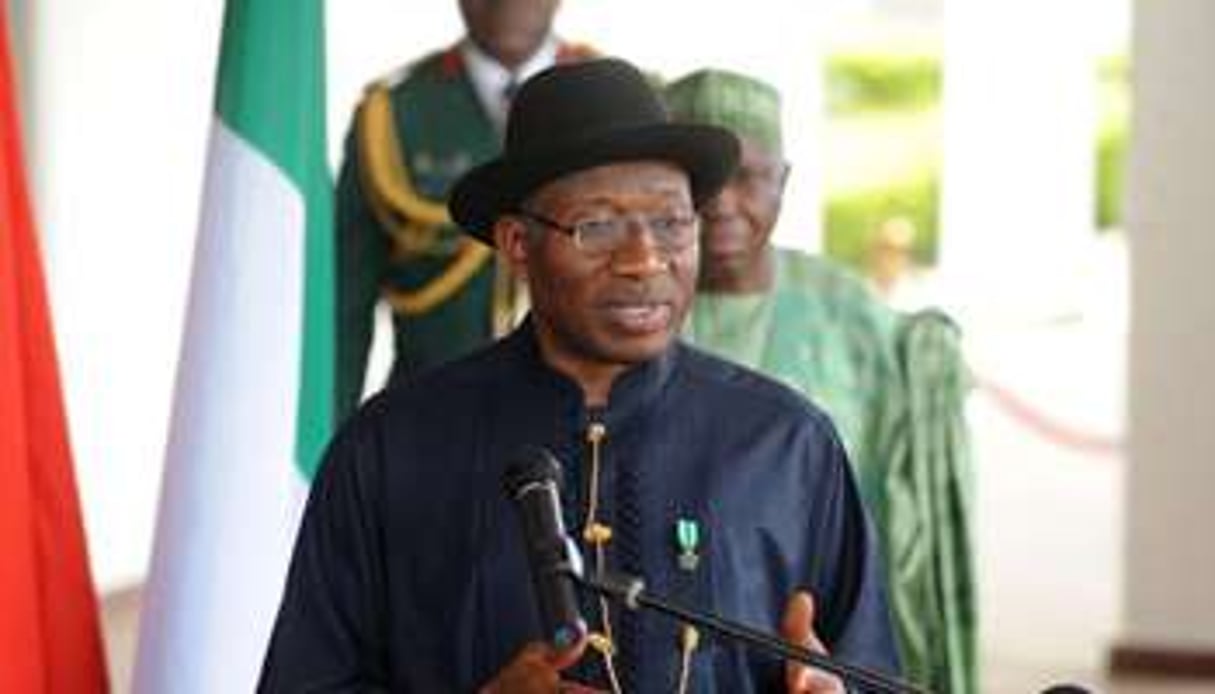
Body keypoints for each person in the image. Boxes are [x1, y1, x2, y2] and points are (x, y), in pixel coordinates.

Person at [260, 58, 900, 693]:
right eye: (597, 226)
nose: (644, 259)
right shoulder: (392, 448)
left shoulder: (787, 443)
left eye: (671, 223)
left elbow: (872, 672)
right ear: (516, 244)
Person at [666, 68, 976, 693]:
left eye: (750, 177)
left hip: (831, 624)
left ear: (783, 181)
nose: (724, 202)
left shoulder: (850, 314)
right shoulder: (634, 313)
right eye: (705, 182)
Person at [335, 0, 595, 422]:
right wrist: (319, 459)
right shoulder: (395, 114)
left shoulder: (619, 102)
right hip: (427, 426)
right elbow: (342, 311)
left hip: (589, 426)